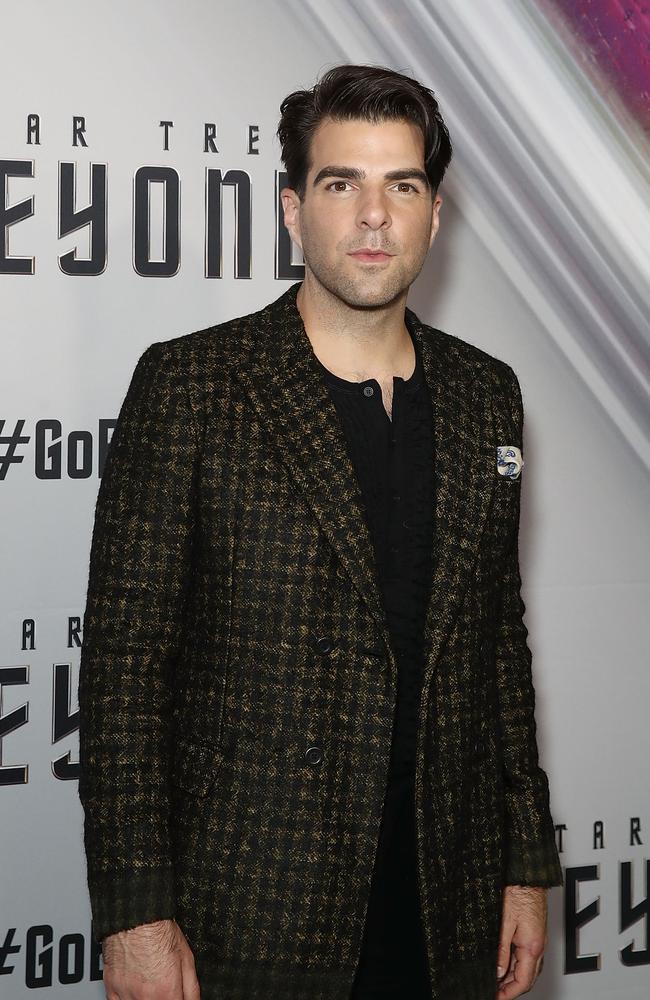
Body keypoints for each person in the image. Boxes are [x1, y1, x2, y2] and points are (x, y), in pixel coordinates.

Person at [78, 64, 563, 1000]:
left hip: (446, 901)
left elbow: (499, 645)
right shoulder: (193, 386)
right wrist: (136, 912)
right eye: (343, 183)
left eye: (403, 186)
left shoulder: (485, 394)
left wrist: (525, 864)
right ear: (294, 210)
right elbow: (124, 671)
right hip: (250, 911)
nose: (374, 215)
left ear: (434, 212)